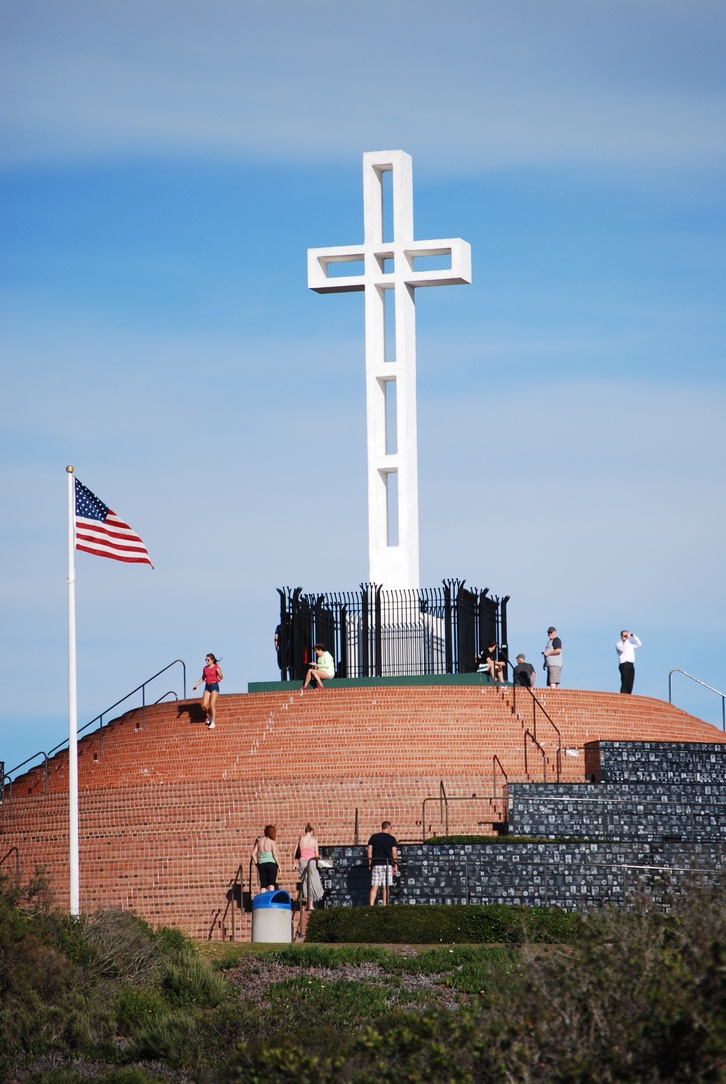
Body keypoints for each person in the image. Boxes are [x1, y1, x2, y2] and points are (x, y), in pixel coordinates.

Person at [293, 823, 324, 910]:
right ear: (311, 831)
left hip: (302, 862)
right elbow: (316, 854)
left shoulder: (300, 840)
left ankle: (307, 903)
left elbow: (294, 852)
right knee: (313, 881)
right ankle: (311, 904)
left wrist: (294, 863)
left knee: (305, 882)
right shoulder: (314, 841)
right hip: (311, 862)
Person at [367, 821, 398, 906]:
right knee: (386, 886)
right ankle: (385, 905)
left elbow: (369, 850)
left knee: (374, 886)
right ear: (388, 828)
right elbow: (394, 853)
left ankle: (371, 905)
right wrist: (395, 865)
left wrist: (370, 862)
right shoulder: (392, 839)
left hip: (376, 863)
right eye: (391, 828)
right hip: (387, 864)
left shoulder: (374, 837)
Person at [192, 653, 224, 728]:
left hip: (214, 686)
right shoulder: (205, 668)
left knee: (212, 704)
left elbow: (221, 677)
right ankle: (210, 715)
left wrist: (219, 672)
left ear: (212, 660)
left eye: (208, 660)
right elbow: (203, 678)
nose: (206, 661)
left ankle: (213, 722)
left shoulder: (216, 667)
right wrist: (196, 685)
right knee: (204, 705)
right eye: (206, 660)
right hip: (207, 686)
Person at [251, 825, 280, 892]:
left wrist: (257, 863)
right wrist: (279, 865)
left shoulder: (260, 842)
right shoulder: (272, 842)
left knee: (263, 885)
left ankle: (262, 900)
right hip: (271, 864)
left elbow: (253, 854)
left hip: (261, 864)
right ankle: (270, 900)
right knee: (271, 884)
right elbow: (275, 854)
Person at [616, 630, 642, 694]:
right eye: (625, 636)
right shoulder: (619, 644)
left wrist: (634, 636)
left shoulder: (630, 645)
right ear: (621, 636)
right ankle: (623, 695)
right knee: (625, 681)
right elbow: (622, 649)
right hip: (624, 664)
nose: (626, 637)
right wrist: (627, 640)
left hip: (631, 665)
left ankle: (629, 695)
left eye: (627, 635)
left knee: (630, 682)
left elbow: (639, 644)